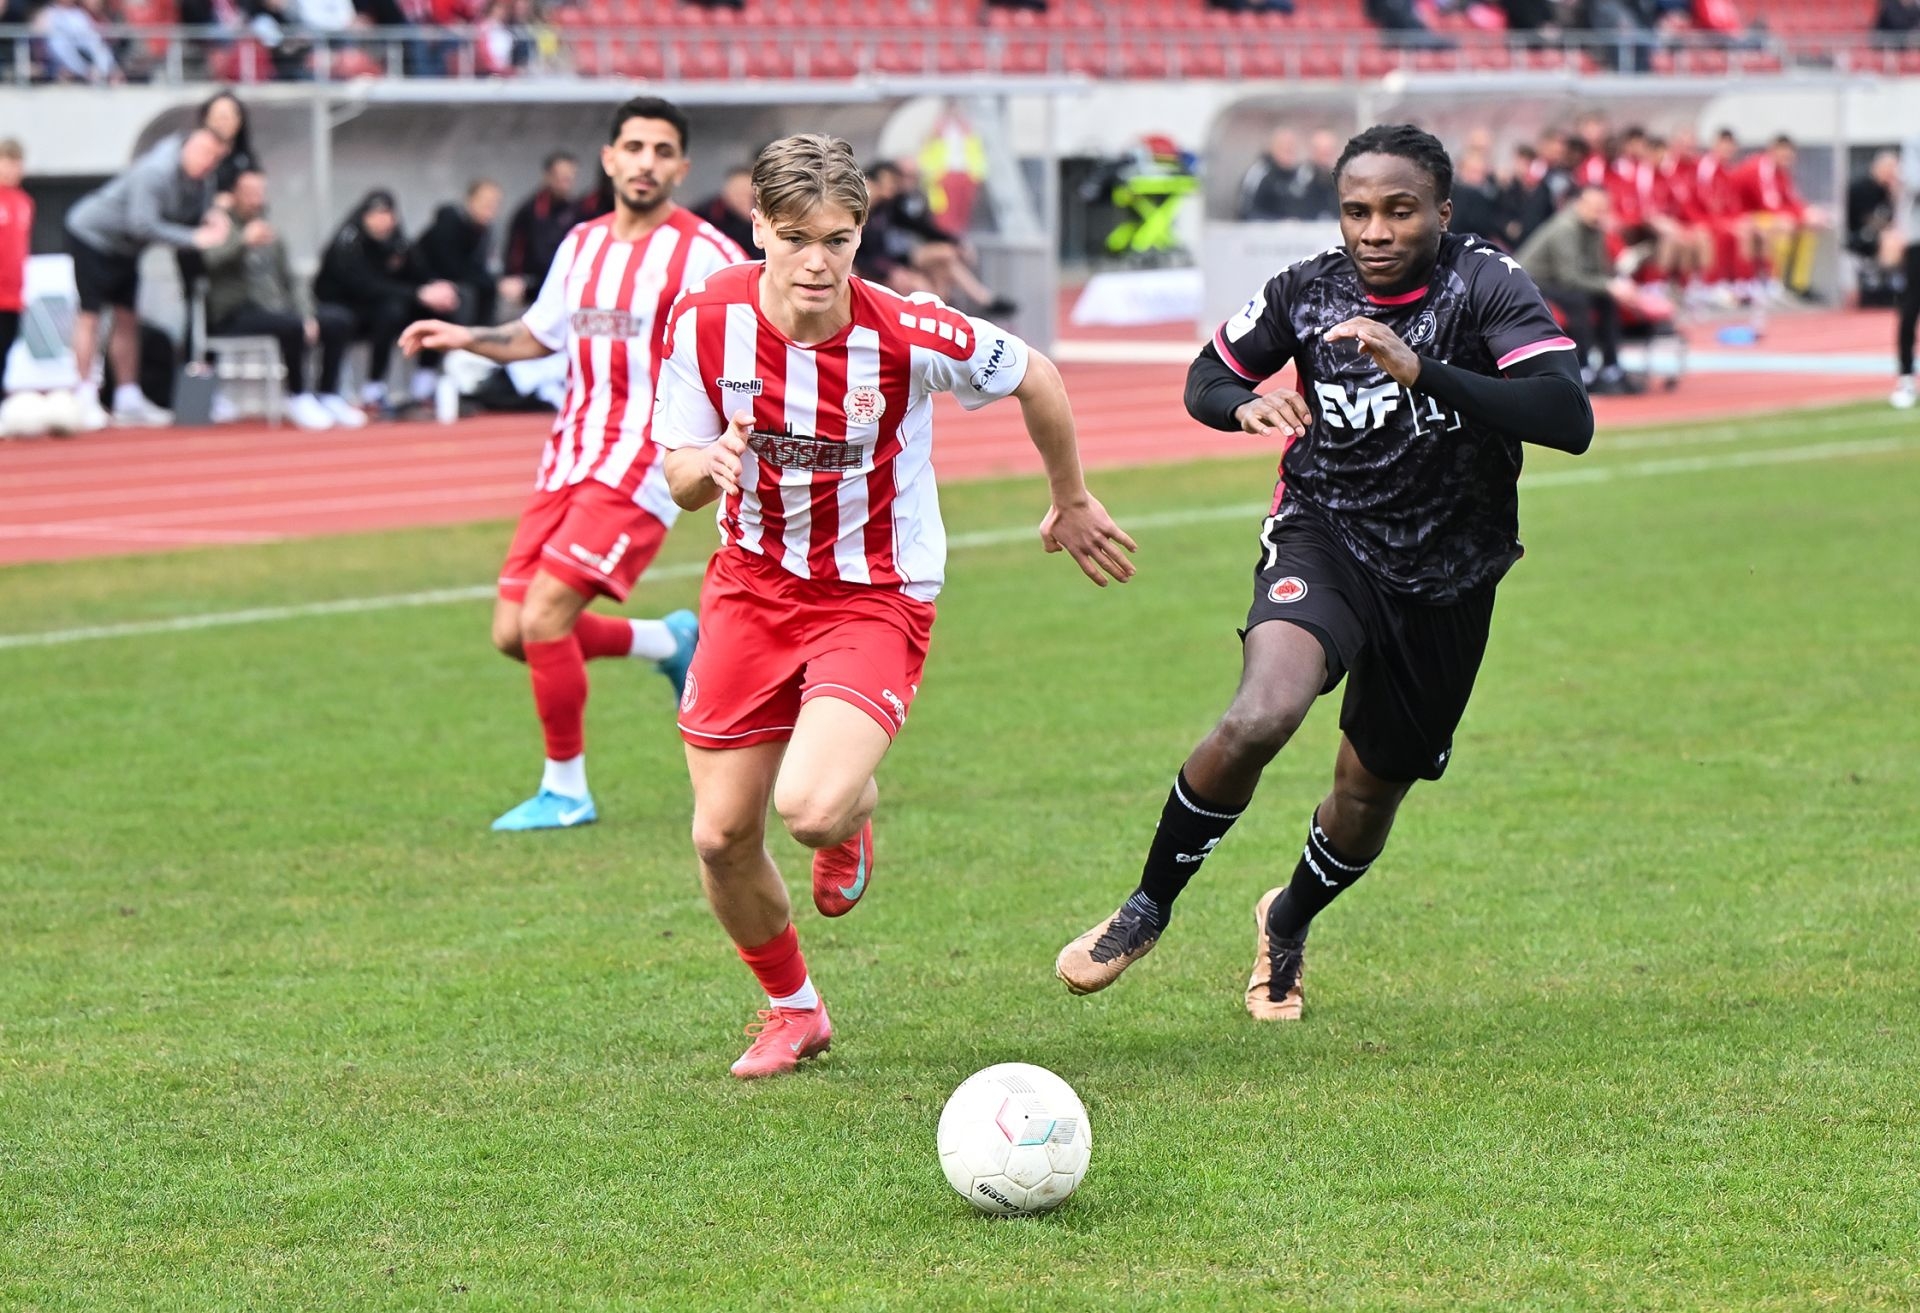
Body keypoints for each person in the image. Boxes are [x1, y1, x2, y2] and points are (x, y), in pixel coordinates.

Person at [1054, 124, 1594, 1022]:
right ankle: (1145, 908)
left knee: (1369, 791)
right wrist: (1243, 404)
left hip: (1450, 574)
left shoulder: (1485, 283)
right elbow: (1206, 376)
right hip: (1324, 534)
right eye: (1357, 211)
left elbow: (1567, 416)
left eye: (1399, 210)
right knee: (1262, 711)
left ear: (1442, 211)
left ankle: (1287, 918)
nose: (1375, 230)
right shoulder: (1305, 289)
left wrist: (1423, 370)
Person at [652, 133, 1136, 1080]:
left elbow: (1037, 373)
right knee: (719, 836)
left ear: (861, 235)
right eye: (796, 236)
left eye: (837, 239)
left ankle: (848, 812)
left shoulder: (909, 331)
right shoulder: (705, 320)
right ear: (758, 227)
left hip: (874, 593)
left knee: (809, 807)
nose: (817, 261)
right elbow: (678, 473)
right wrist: (706, 467)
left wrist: (1070, 497)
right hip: (750, 587)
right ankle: (795, 1011)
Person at [398, 97, 743, 831]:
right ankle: (667, 640)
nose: (646, 163)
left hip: (643, 465)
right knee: (513, 632)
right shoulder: (581, 243)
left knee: (547, 615)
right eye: (634, 147)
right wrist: (464, 336)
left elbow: (752, 338)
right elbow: (537, 334)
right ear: (609, 158)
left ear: (682, 167)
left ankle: (566, 790)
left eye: (662, 151)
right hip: (567, 457)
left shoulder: (707, 255)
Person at [63, 127, 232, 430]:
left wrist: (212, 217)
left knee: (128, 318)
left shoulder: (204, 179)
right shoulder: (155, 172)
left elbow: (196, 213)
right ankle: (84, 395)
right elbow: (142, 225)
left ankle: (128, 397)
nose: (207, 161)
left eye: (214, 157)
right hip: (93, 236)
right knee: (90, 314)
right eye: (203, 152)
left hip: (128, 249)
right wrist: (194, 238)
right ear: (188, 146)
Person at [203, 169, 363, 430]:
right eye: (249, 193)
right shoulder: (218, 225)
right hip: (235, 313)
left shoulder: (270, 231)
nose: (256, 199)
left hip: (278, 310)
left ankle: (329, 394)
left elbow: (291, 280)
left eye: (260, 192)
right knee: (291, 326)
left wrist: (307, 314)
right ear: (233, 195)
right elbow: (209, 261)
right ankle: (297, 395)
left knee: (338, 320)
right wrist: (242, 241)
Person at [312, 191, 460, 417]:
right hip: (347, 309)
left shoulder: (398, 242)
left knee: (436, 309)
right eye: (376, 214)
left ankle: (425, 384)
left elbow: (418, 273)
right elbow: (365, 286)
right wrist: (418, 293)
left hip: (385, 306)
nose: (382, 220)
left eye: (387, 214)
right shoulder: (349, 242)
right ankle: (373, 389)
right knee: (391, 310)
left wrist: (436, 288)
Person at [1516, 184, 1642, 395]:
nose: (1599, 213)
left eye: (1603, 208)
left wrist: (1617, 283)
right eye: (1595, 207)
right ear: (1580, 204)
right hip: (1533, 282)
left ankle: (1611, 367)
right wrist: (1609, 285)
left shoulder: (1594, 227)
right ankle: (1583, 369)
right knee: (1579, 301)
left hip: (1559, 281)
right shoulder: (1566, 228)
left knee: (1607, 300)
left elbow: (1598, 269)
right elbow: (1570, 277)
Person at [418, 178, 512, 327]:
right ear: (470, 200)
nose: (490, 207)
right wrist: (495, 284)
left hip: (457, 284)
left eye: (496, 203)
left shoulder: (485, 231)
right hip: (429, 283)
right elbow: (452, 268)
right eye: (485, 201)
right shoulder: (449, 225)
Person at [503, 151, 582, 292]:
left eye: (569, 177)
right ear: (548, 176)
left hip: (566, 281)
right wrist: (514, 277)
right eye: (560, 177)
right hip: (532, 283)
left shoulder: (577, 211)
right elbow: (515, 251)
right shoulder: (529, 210)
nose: (565, 183)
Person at [1893, 136, 1920, 410]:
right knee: (1911, 307)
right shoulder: (1914, 144)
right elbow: (1914, 183)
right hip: (1918, 242)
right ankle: (1906, 377)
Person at [0, 139, 28, 392]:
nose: (11, 170)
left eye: (16, 164)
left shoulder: (24, 202)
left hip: (13, 294)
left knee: (6, 347)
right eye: (6, 164)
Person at [692, 165, 758, 258]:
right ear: (726, 191)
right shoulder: (707, 213)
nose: (742, 198)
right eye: (738, 192)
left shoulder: (761, 217)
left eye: (747, 193)